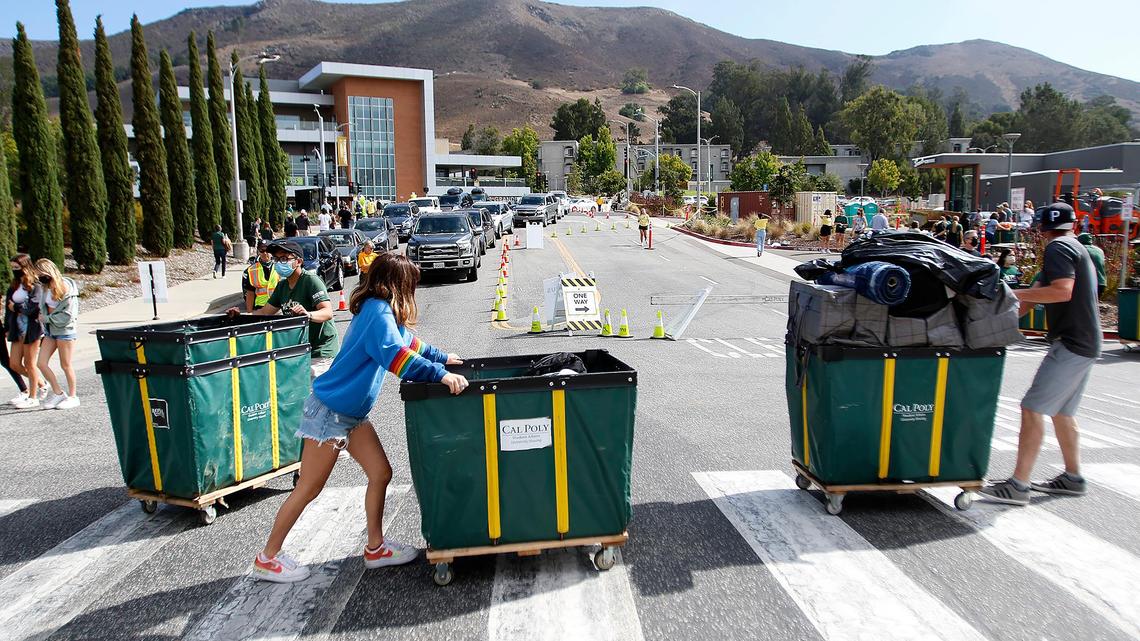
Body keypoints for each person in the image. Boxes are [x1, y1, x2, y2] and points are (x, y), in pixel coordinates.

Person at [249, 253, 467, 583]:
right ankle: (268, 557)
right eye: (410, 285)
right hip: (330, 414)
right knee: (308, 488)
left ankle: (376, 548)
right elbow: (396, 357)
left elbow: (407, 342)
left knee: (380, 473)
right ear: (397, 284)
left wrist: (441, 357)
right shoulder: (378, 312)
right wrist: (439, 374)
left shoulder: (383, 312)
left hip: (352, 415)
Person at [980, 202, 1099, 506]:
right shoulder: (1073, 246)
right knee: (1062, 413)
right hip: (1085, 341)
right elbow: (1031, 302)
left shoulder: (1058, 249)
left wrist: (1010, 294)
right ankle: (1073, 477)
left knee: (1032, 409)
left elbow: (1061, 291)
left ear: (1040, 228)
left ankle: (1018, 485)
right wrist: (991, 326)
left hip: (1072, 342)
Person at [230, 240, 339, 378]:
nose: (279, 263)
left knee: (312, 393)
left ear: (298, 261)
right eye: (276, 259)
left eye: (284, 259)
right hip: (300, 349)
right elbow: (264, 312)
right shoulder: (282, 286)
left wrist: (308, 315)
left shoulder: (310, 281)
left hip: (321, 351)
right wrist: (241, 317)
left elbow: (327, 312)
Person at [34, 259, 80, 410]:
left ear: (49, 271)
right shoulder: (45, 287)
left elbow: (68, 315)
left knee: (65, 365)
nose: (39, 277)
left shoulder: (66, 288)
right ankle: (58, 393)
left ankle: (73, 396)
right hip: (50, 331)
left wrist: (46, 318)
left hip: (65, 331)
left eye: (41, 273)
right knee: (41, 363)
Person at [6, 255, 44, 408]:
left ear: (25, 267)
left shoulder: (36, 285)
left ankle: (33, 397)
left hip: (31, 328)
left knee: (30, 363)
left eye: (17, 267)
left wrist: (16, 308)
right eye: (13, 268)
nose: (14, 270)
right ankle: (42, 384)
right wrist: (7, 327)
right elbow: (7, 307)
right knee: (14, 363)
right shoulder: (15, 284)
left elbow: (33, 308)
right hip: (17, 328)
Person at [242, 242, 280, 313]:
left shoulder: (280, 266)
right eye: (262, 250)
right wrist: (250, 313)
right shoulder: (251, 270)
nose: (265, 253)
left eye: (267, 250)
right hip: (260, 308)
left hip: (277, 307)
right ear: (258, 252)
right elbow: (250, 293)